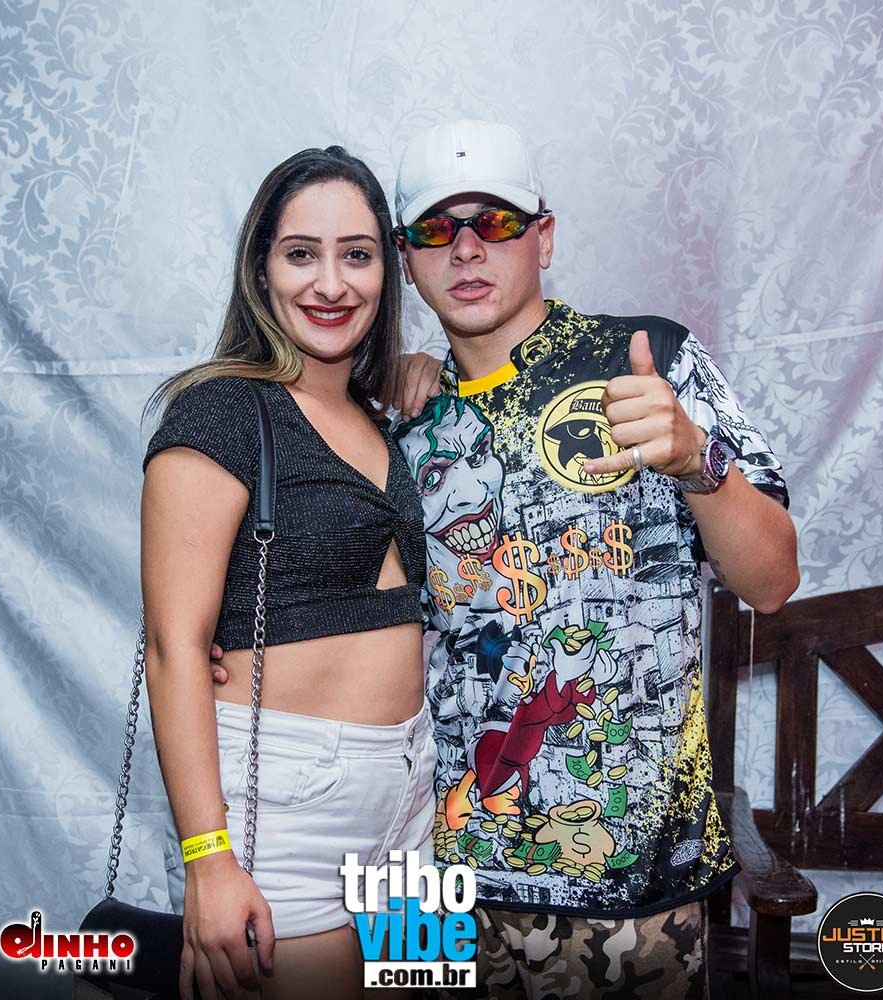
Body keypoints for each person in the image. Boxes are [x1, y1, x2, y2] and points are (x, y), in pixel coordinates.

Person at [382, 119, 800, 999]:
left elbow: (772, 581)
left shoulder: (649, 361)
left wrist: (696, 461)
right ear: (405, 258)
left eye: (496, 222)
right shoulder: (397, 412)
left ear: (544, 237)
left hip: (632, 893)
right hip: (436, 880)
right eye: (436, 229)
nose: (466, 249)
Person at [139, 145, 434, 1000]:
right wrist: (208, 859)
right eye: (302, 253)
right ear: (261, 267)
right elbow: (172, 646)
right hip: (287, 807)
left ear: (387, 271)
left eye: (357, 255)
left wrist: (421, 373)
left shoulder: (383, 419)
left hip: (413, 799)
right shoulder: (221, 411)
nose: (331, 283)